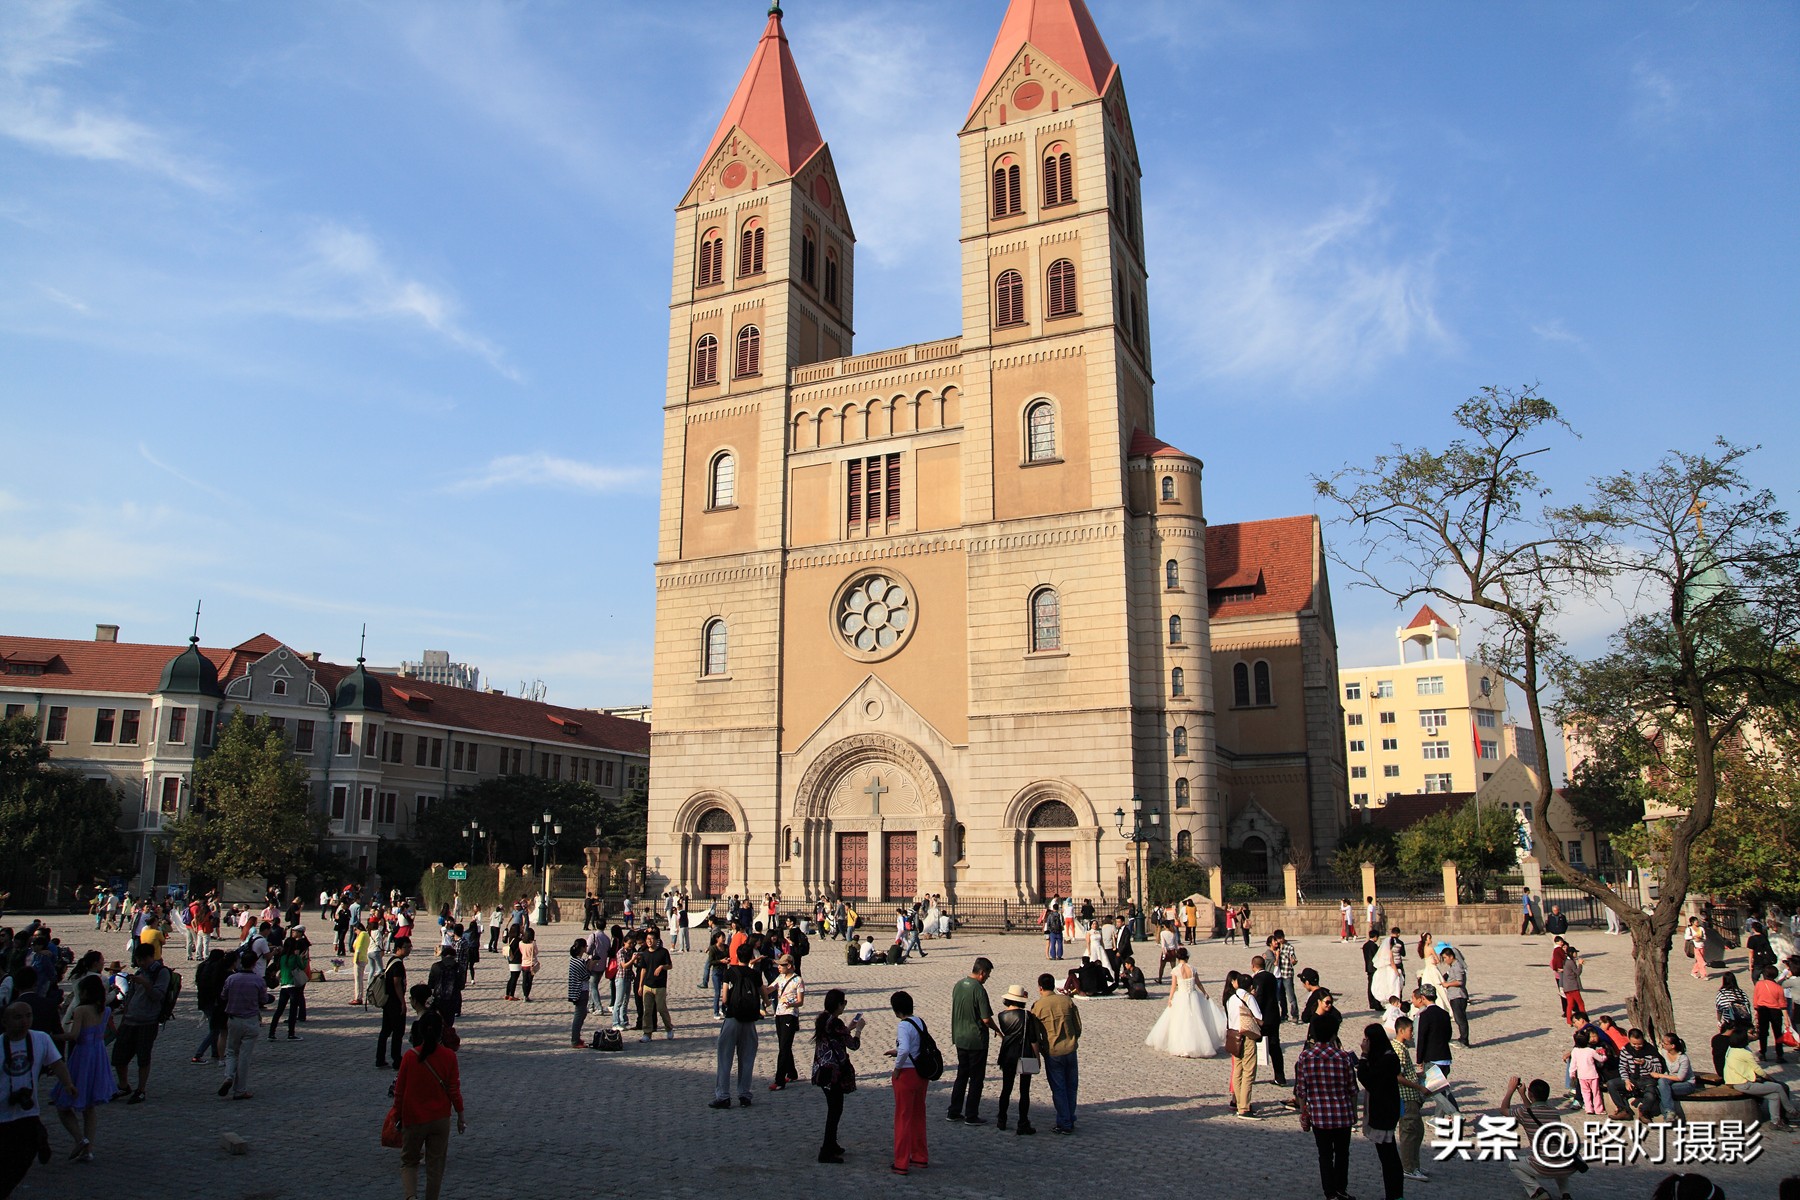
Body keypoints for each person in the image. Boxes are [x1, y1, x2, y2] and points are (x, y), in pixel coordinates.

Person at [0, 1001, 77, 1197]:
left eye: (28, 1016)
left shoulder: (40, 1039)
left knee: (24, 1155)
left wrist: (67, 1084)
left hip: (28, 1111)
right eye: (18, 1017)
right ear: (5, 1021)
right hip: (3, 1114)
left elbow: (56, 1063)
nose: (25, 1021)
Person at [392, 1010, 465, 1200]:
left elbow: (399, 1091)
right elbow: (454, 1089)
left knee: (409, 1161)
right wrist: (460, 1115)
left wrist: (397, 1115)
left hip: (414, 1117)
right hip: (440, 1118)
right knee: (435, 1167)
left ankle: (411, 1196)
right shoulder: (449, 1056)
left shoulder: (409, 1057)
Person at [1294, 1009, 1357, 1200]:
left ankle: (1329, 1192)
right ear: (1333, 1034)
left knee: (1325, 1155)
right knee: (1342, 1154)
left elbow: (1301, 1089)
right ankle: (1340, 1188)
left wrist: (1304, 1111)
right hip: (1342, 1114)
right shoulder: (1343, 1057)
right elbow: (1352, 1089)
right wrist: (1354, 1113)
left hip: (1320, 1116)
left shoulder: (1305, 1057)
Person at [49, 975, 111, 1161]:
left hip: (83, 1055)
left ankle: (80, 1139)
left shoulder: (82, 1009)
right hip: (98, 1054)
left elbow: (74, 1035)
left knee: (64, 1102)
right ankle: (88, 1149)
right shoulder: (105, 1010)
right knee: (90, 1107)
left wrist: (53, 1037)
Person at [1497, 1076, 1577, 1200]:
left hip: (1542, 1166)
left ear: (1531, 1095)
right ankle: (1565, 1194)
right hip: (1567, 1166)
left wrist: (1511, 1090)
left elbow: (1504, 1110)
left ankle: (1538, 1192)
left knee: (1514, 1164)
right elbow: (1532, 1111)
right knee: (1559, 1157)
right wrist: (1523, 1095)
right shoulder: (1554, 1112)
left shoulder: (1524, 1113)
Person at [110, 941, 170, 1104]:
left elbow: (158, 995)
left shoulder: (161, 973)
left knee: (143, 1057)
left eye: (143, 960)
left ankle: (141, 1089)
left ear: (151, 957)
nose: (141, 963)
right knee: (119, 1056)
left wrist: (145, 983)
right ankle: (124, 1085)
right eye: (138, 960)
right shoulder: (139, 971)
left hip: (147, 1021)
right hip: (130, 1020)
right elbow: (131, 996)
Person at [711, 942, 769, 1108]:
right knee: (747, 1059)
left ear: (737, 956)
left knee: (725, 1058)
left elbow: (724, 997)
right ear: (751, 956)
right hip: (749, 1021)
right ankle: (744, 1094)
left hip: (732, 1019)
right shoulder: (755, 974)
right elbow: (763, 995)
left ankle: (723, 1096)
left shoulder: (730, 972)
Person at [812, 988, 863, 1163]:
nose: (845, 1006)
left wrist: (848, 1027)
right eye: (844, 1003)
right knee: (835, 1110)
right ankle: (826, 1150)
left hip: (821, 1070)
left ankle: (832, 1144)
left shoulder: (823, 1019)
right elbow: (853, 1045)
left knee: (834, 1108)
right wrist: (858, 1030)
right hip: (833, 1073)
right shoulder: (836, 1023)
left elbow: (836, 1035)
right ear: (839, 1004)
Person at [1144, 947, 1225, 1057]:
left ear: (1177, 958)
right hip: (1193, 996)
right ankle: (1198, 1045)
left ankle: (1182, 1046)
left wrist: (1170, 998)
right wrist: (1205, 992)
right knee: (1196, 1021)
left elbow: (1173, 986)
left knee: (1180, 1022)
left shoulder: (1176, 970)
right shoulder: (1192, 969)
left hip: (1181, 996)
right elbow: (1198, 983)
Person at [1356, 1022, 1404, 1200]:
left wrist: (1363, 1055)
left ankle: (1395, 1194)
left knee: (1388, 1157)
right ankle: (1394, 1193)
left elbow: (1366, 1078)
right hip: (1386, 1110)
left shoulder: (1387, 1060)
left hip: (1383, 1112)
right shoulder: (1386, 1056)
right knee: (1388, 1156)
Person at [946, 957, 997, 1123]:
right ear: (982, 973)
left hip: (960, 1037)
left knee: (961, 1075)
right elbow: (986, 1019)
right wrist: (998, 1031)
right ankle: (971, 1114)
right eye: (987, 976)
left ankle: (954, 1111)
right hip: (976, 1040)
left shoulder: (958, 985)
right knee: (976, 1078)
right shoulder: (979, 990)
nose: (987, 979)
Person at [1032, 972, 1081, 1135]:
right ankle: (1069, 1117)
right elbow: (1078, 1027)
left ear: (1040, 988)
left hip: (1053, 1051)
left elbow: (1035, 1034)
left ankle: (1064, 1122)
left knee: (1059, 1088)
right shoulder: (1067, 1001)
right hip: (1070, 1049)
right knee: (1071, 1086)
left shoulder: (1039, 1006)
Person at [217, 950, 270, 1100]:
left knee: (232, 1051)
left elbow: (223, 996)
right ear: (254, 964)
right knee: (245, 1055)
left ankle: (228, 1076)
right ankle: (240, 1089)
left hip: (234, 1019)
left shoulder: (232, 979)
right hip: (251, 1019)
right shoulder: (258, 980)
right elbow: (264, 999)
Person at [994, 984, 1046, 1135]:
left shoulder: (1001, 1015)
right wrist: (1037, 1058)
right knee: (1024, 1091)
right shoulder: (1027, 1016)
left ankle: (1001, 1119)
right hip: (1024, 1053)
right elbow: (1033, 1039)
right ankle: (1023, 1122)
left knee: (1006, 1089)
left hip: (1007, 1054)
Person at [887, 991, 930, 1173]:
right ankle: (920, 1156)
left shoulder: (903, 1025)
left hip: (906, 1074)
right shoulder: (919, 1021)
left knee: (903, 1118)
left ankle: (901, 1161)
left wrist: (897, 1068)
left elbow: (904, 1049)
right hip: (921, 1074)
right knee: (918, 1116)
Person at [1723, 1029, 1797, 1128]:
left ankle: (1775, 1122)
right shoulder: (1745, 1053)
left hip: (1735, 1082)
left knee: (1774, 1096)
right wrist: (1769, 1078)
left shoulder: (1731, 1050)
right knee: (1778, 1087)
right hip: (1744, 1084)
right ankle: (1792, 1111)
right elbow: (1759, 1070)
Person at [1391, 1015, 1431, 1184]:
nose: (1412, 1033)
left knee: (1417, 1131)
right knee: (1410, 1133)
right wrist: (1419, 1087)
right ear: (1401, 1031)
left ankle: (1414, 1165)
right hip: (1406, 1098)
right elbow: (1398, 1076)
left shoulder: (1400, 1047)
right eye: (1410, 1030)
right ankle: (1408, 1168)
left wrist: (1418, 1074)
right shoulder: (1399, 1049)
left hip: (1409, 1097)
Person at [1224, 969, 1262, 1119]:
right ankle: (1244, 1107)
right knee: (1248, 1072)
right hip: (1246, 1036)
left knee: (1238, 1071)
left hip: (1234, 1035)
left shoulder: (1230, 998)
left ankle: (1239, 1102)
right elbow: (1259, 1016)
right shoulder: (1248, 997)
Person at [1251, 954, 1287, 1086]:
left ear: (1253, 966)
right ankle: (1280, 1076)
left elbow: (1259, 998)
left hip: (1263, 1018)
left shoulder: (1257, 979)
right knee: (1275, 1046)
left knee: (1252, 1046)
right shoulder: (1271, 976)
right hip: (1274, 1015)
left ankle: (1250, 1075)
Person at [376, 936, 411, 1070]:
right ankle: (396, 1059)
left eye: (409, 947)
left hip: (388, 1001)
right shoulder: (397, 964)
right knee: (397, 1031)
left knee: (385, 1030)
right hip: (394, 1002)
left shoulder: (392, 961)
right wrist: (402, 1002)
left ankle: (380, 1058)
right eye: (406, 947)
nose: (408, 950)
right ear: (398, 948)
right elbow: (397, 983)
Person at [769, 954, 804, 1087]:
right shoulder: (780, 977)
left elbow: (800, 1002)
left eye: (781, 965)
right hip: (779, 1014)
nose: (778, 967)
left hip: (790, 1015)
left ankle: (779, 1080)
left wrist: (791, 1004)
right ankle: (792, 1073)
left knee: (784, 1047)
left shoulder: (798, 980)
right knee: (783, 1045)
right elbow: (769, 989)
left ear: (789, 966)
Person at [637, 928, 674, 1043]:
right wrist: (640, 985)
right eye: (648, 939)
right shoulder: (645, 953)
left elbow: (670, 966)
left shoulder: (663, 952)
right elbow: (643, 969)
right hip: (647, 985)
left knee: (661, 1008)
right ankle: (647, 1033)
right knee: (647, 1010)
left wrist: (662, 967)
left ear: (656, 940)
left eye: (652, 939)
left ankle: (669, 1028)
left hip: (660, 986)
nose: (649, 941)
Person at [1650, 1032, 1697, 1120]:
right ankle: (1670, 1113)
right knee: (1662, 1083)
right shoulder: (1663, 1052)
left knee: (1662, 1089)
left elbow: (1680, 1077)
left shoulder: (1683, 1058)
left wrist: (1659, 1075)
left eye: (1665, 1043)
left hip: (1686, 1084)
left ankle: (1668, 1113)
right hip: (1670, 1081)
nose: (1662, 1045)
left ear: (1672, 1046)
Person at [1438, 947, 1471, 1047]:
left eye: (1445, 958)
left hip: (1458, 996)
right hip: (1454, 996)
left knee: (1461, 1020)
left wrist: (1447, 984)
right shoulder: (1453, 966)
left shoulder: (1457, 967)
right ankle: (1462, 1038)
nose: (1444, 960)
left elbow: (1460, 981)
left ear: (1451, 956)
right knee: (1458, 1019)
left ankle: (1464, 1041)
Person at [1755, 967, 1788, 1062]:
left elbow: (1756, 999)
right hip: (1776, 1011)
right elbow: (1782, 1004)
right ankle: (1779, 1054)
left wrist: (1756, 1011)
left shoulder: (1759, 984)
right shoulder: (1778, 988)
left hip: (1762, 1010)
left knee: (1763, 1032)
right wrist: (1786, 1019)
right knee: (1777, 1033)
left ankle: (1763, 1053)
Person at [565, 938, 594, 1048]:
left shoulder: (573, 960)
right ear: (582, 948)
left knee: (582, 1013)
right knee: (579, 1015)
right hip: (581, 991)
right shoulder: (580, 962)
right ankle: (575, 1039)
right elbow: (586, 976)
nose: (586, 948)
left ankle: (576, 1037)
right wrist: (591, 965)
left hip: (575, 991)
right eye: (585, 946)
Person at [1370, 929, 1404, 1017]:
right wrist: (1397, 972)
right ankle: (1394, 1004)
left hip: (1384, 970)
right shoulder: (1390, 952)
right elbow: (1392, 963)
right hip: (1391, 970)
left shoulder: (1382, 952)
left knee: (1386, 986)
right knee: (1393, 987)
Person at [1362, 930, 1381, 1010]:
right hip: (1374, 968)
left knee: (1370, 986)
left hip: (1368, 967)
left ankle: (1371, 1003)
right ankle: (1376, 1003)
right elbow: (1377, 956)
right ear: (1376, 937)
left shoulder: (1365, 945)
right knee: (1375, 986)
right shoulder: (1374, 946)